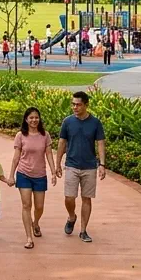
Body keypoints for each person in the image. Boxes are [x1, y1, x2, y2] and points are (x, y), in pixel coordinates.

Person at [56, 91, 106, 243]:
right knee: (69, 197)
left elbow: (100, 143)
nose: (75, 107)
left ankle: (83, 231)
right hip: (71, 165)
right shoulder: (67, 122)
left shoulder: (95, 123)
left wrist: (102, 164)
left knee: (86, 198)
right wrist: (58, 163)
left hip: (89, 166)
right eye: (73, 104)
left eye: (78, 105)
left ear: (86, 105)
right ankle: (72, 217)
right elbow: (62, 143)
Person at [11, 107, 58, 249]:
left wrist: (53, 172)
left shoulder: (45, 135)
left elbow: (49, 154)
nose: (34, 120)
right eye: (31, 117)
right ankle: (29, 238)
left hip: (40, 175)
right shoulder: (20, 135)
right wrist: (11, 175)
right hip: (23, 174)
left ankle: (35, 223)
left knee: (39, 206)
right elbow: (16, 157)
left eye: (36, 117)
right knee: (26, 205)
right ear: (26, 119)